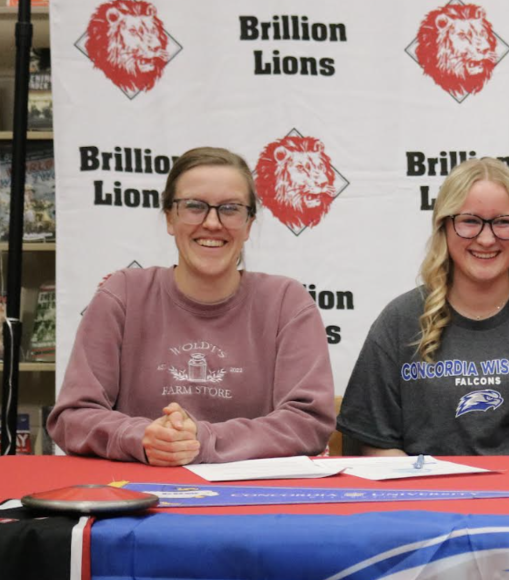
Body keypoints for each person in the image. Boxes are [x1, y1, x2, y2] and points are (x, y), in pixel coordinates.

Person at [48, 147, 335, 464]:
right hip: (136, 496)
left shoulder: (286, 302)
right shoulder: (124, 294)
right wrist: (143, 438)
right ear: (170, 217)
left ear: (249, 224)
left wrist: (202, 439)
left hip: (251, 501)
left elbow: (308, 422)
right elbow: (73, 416)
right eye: (194, 206)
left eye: (230, 209)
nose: (212, 223)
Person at [338, 157, 509, 456]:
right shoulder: (400, 319)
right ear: (444, 226)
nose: (486, 238)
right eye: (470, 221)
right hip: (420, 496)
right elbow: (374, 446)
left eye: (503, 222)